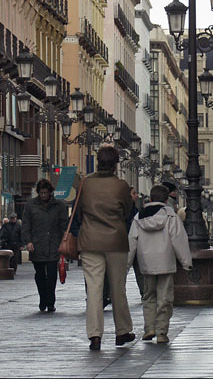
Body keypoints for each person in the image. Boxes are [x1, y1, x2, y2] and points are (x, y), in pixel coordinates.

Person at [77, 145, 135, 351]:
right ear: (116, 164)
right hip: (115, 241)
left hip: (90, 240)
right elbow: (128, 211)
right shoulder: (121, 186)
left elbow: (79, 210)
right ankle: (122, 332)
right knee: (118, 288)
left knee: (94, 289)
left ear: (98, 161)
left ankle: (94, 335)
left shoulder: (85, 184)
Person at [127, 184, 192, 344]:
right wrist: (186, 262)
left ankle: (149, 328)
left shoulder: (139, 217)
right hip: (165, 261)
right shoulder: (170, 215)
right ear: (166, 198)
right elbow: (179, 239)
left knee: (148, 296)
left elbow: (131, 242)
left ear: (150, 198)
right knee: (165, 297)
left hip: (146, 262)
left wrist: (126, 264)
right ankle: (162, 331)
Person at [22, 179, 68, 313]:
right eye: (41, 193)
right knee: (40, 274)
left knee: (52, 274)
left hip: (54, 244)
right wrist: (28, 241)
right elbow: (26, 225)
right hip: (37, 244)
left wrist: (63, 241)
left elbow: (63, 225)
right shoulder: (31, 205)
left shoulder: (59, 206)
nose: (43, 195)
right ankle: (43, 298)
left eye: (45, 193)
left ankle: (50, 301)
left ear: (50, 192)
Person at [127, 187, 145, 299]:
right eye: (134, 193)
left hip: (134, 243)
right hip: (127, 243)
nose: (136, 195)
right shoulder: (129, 210)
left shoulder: (135, 209)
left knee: (139, 270)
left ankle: (144, 292)